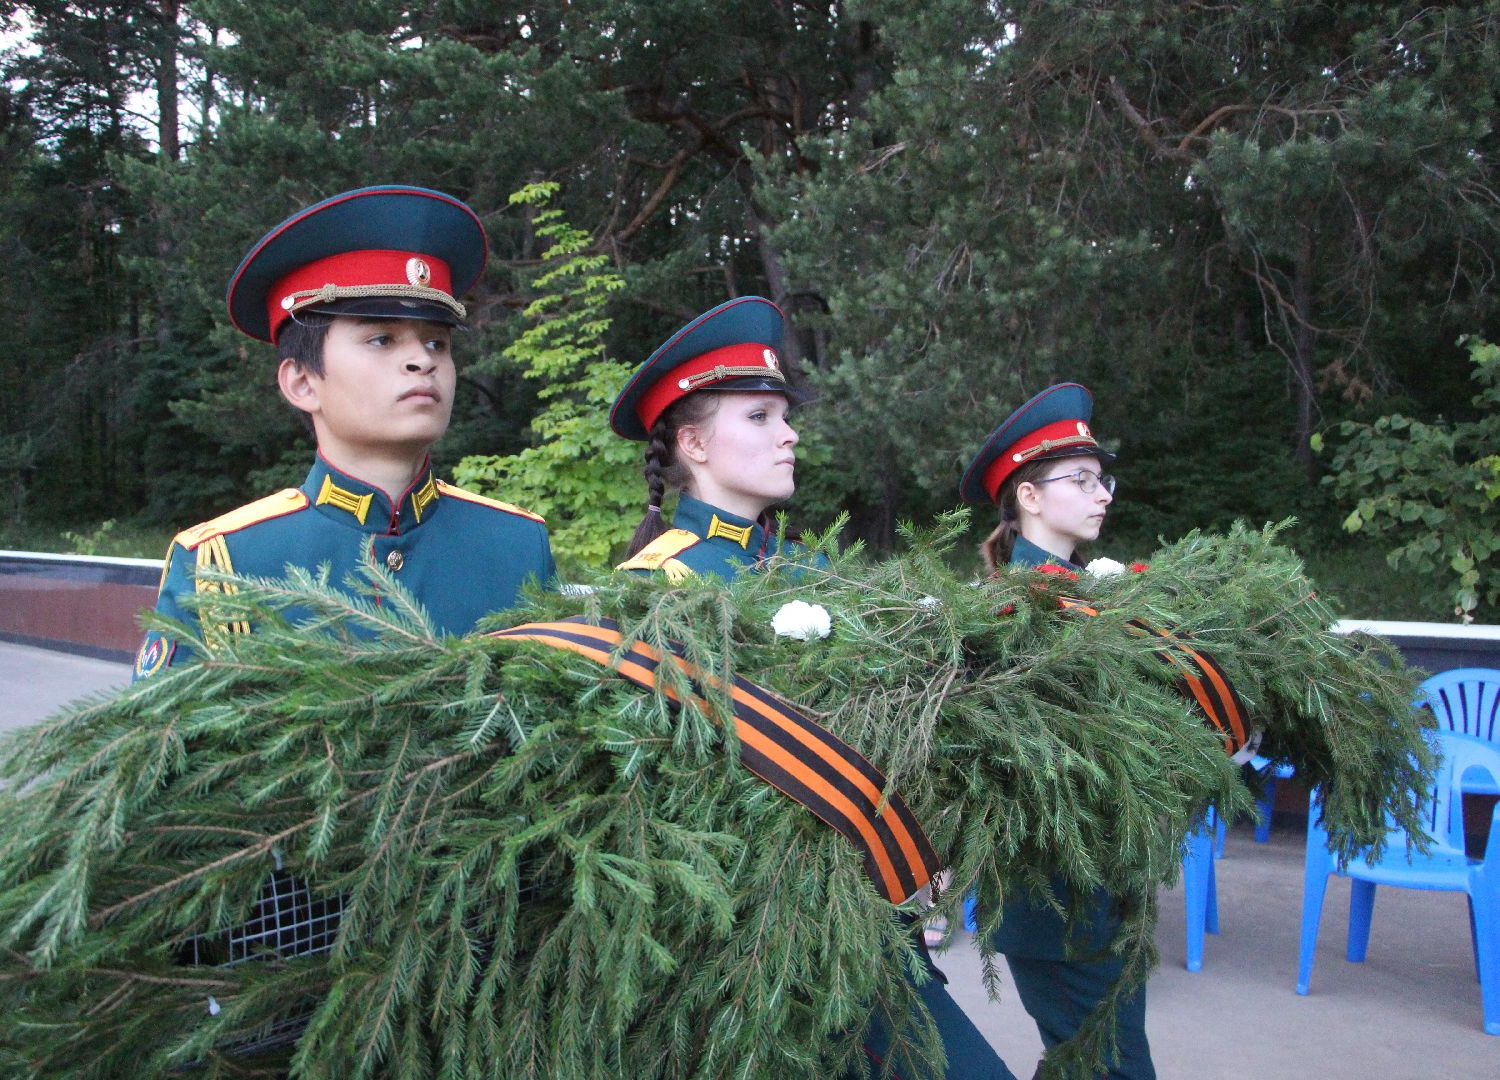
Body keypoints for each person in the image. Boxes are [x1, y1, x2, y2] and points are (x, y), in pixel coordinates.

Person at [610, 296, 1014, 1080]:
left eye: (783, 415)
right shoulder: (655, 590)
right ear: (693, 442)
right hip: (761, 946)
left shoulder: (811, 572)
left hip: (872, 922)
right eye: (760, 417)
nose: (790, 432)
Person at [133, 186, 556, 679]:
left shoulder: (518, 545)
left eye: (437, 342)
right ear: (302, 382)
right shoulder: (224, 564)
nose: (423, 360)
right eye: (381, 338)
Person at [957, 383, 1153, 1080]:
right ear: (1030, 497)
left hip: (1105, 890)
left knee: (1088, 1061)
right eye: (1081, 480)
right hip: (1056, 898)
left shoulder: (1085, 599)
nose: (1102, 493)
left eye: (1104, 479)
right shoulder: (1013, 611)